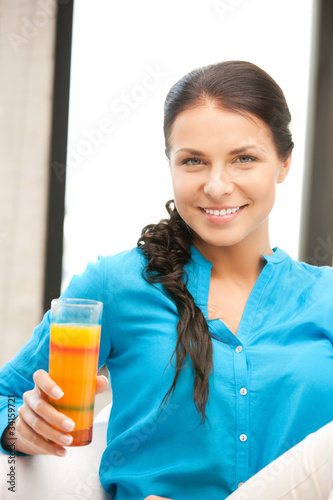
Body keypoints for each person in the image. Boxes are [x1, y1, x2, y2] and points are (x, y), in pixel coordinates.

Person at [0, 60, 333, 500]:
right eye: (193, 161)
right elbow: (7, 395)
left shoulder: (324, 297)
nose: (216, 186)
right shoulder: (116, 285)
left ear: (284, 162)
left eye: (244, 159)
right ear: (170, 164)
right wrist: (17, 430)